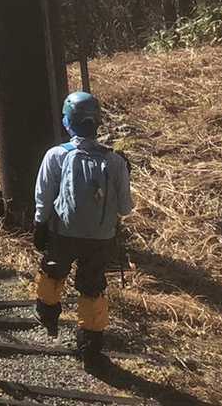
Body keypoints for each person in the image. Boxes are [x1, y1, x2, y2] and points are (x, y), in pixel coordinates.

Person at [32, 90, 133, 361]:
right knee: (93, 288)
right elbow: (125, 209)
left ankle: (47, 314)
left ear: (67, 121)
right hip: (101, 238)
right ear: (97, 122)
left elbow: (43, 197)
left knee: (52, 272)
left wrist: (40, 225)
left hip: (63, 233)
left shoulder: (56, 155)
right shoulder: (115, 161)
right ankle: (90, 346)